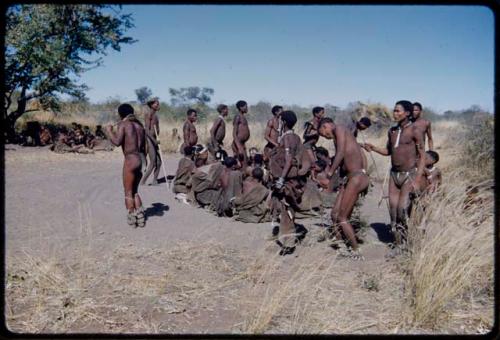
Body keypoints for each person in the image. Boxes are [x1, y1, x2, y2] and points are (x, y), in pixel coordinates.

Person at [363, 100, 426, 255]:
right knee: (392, 211)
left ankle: (409, 242)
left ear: (407, 113)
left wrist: (417, 179)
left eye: (398, 111)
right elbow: (388, 151)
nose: (395, 113)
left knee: (402, 209)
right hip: (394, 175)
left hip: (409, 175)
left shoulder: (415, 131)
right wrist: (374, 148)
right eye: (394, 110)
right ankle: (398, 244)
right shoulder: (392, 131)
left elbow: (423, 156)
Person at [317, 117, 370, 259]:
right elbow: (354, 153)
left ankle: (356, 250)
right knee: (334, 215)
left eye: (323, 133)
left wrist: (330, 172)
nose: (326, 136)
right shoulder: (343, 135)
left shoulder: (339, 128)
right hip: (351, 178)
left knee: (342, 217)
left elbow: (340, 153)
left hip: (356, 178)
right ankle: (341, 244)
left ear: (326, 126)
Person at [269, 110, 310, 255]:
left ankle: (288, 243)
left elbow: (287, 160)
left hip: (287, 179)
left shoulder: (287, 138)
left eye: (280, 120)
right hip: (293, 179)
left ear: (284, 122)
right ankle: (289, 237)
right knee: (289, 208)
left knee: (286, 209)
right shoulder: (297, 138)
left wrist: (281, 179)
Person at [104, 103, 147, 228]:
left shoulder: (124, 124)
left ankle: (132, 218)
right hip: (141, 160)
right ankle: (140, 217)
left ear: (120, 114)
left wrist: (109, 131)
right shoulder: (139, 126)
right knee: (135, 191)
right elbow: (144, 147)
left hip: (130, 159)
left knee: (128, 191)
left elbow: (117, 142)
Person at [141, 97, 162, 186]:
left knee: (159, 162)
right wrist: (154, 140)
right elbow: (146, 130)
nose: (158, 105)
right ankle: (143, 181)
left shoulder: (155, 115)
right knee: (153, 162)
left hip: (154, 140)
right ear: (152, 105)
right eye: (156, 104)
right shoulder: (149, 114)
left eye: (158, 104)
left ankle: (154, 181)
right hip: (149, 140)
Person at [232, 100, 250, 167]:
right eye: (245, 106)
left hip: (241, 144)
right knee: (243, 164)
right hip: (238, 144)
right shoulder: (238, 117)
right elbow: (234, 133)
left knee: (244, 163)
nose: (247, 108)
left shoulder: (242, 116)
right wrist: (239, 147)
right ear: (240, 107)